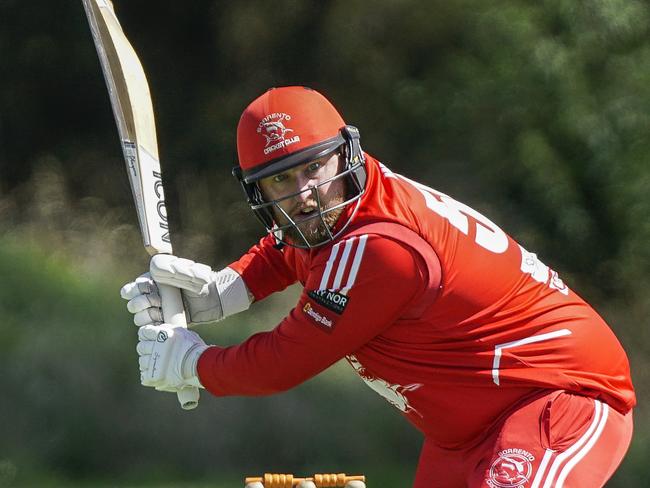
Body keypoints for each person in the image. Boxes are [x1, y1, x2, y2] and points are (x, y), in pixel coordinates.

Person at [121, 86, 636, 487]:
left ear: (344, 154)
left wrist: (195, 366)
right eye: (281, 181)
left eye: (312, 169)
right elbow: (296, 248)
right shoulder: (346, 206)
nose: (303, 195)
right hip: (466, 430)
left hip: (555, 401)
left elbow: (285, 359)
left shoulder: (380, 249)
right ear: (258, 189)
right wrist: (224, 290)